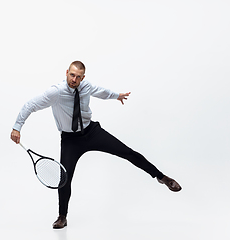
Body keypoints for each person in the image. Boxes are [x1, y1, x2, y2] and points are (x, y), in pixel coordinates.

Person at [11, 61, 181, 229]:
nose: (74, 79)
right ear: (66, 73)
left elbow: (102, 92)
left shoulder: (86, 86)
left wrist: (117, 96)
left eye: (78, 77)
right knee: (65, 178)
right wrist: (17, 127)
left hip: (91, 132)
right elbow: (31, 105)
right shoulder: (56, 92)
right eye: (72, 75)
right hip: (70, 140)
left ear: (82, 77)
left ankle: (162, 177)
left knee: (127, 152)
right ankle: (62, 216)